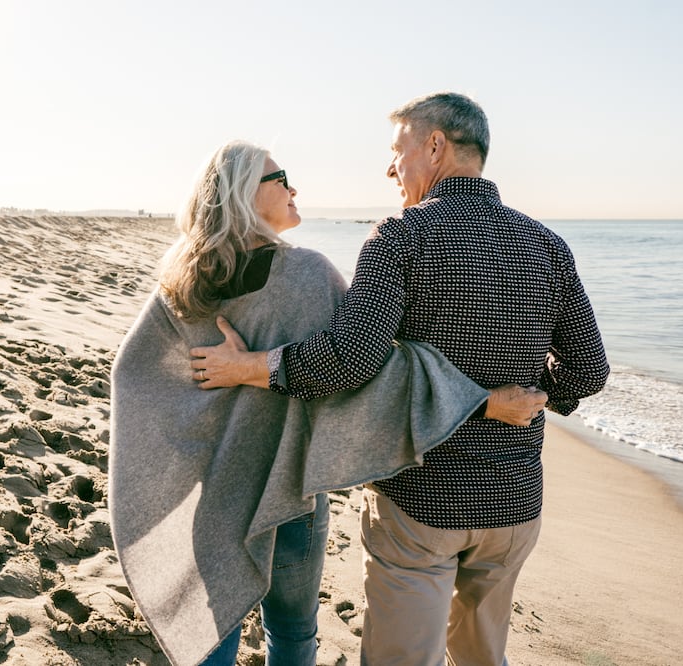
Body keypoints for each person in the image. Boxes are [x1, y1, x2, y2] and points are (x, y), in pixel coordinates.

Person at [191, 93, 610, 665]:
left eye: (398, 150)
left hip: (422, 502)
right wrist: (536, 397)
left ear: (435, 146)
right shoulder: (546, 245)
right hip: (515, 503)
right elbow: (590, 370)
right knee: (484, 658)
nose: (391, 167)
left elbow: (349, 360)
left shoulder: (402, 237)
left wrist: (250, 367)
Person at [109, 140, 545, 666]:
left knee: (212, 630)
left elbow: (134, 377)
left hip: (214, 489)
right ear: (244, 194)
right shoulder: (308, 275)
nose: (293, 188)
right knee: (292, 634)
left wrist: (202, 424)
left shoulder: (181, 281)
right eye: (280, 178)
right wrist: (482, 402)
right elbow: (372, 370)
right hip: (290, 487)